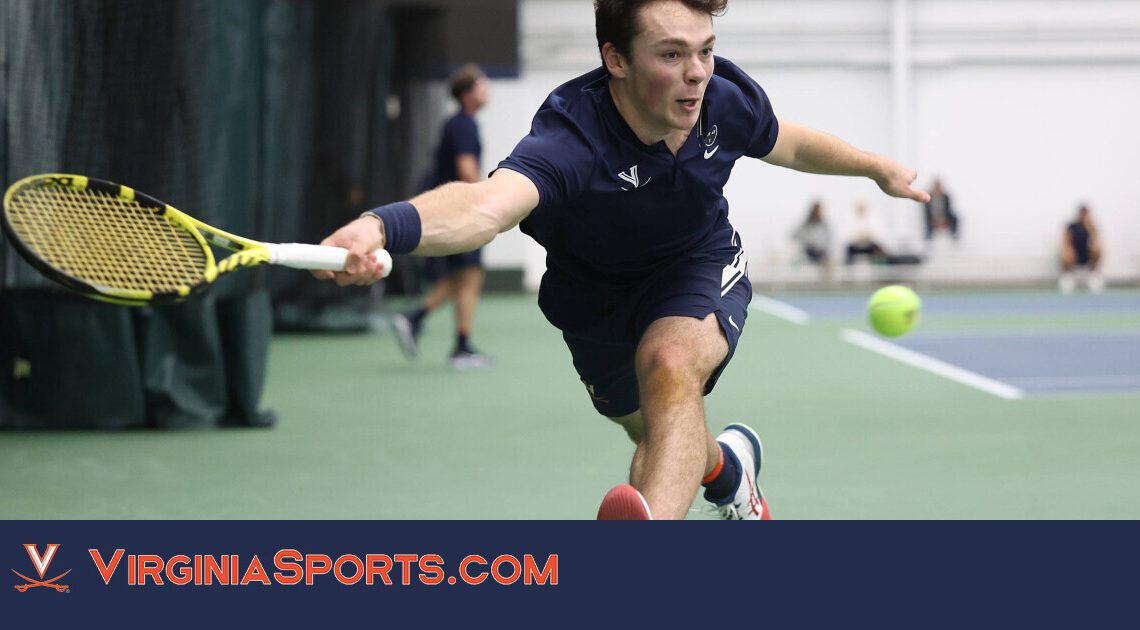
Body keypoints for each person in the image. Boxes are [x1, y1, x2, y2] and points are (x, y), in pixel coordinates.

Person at [316, 0, 930, 520]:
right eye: (670, 55)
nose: (696, 74)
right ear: (616, 59)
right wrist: (378, 227)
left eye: (705, 50)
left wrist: (875, 167)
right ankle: (728, 469)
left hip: (696, 261)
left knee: (668, 365)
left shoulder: (722, 99)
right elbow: (484, 208)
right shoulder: (572, 140)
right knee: (662, 435)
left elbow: (788, 142)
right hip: (593, 302)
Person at [391, 64, 496, 369]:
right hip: (464, 211)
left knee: (462, 276)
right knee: (470, 275)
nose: (487, 90)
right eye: (481, 85)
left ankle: (415, 319)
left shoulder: (461, 123)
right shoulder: (463, 125)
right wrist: (490, 201)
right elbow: (466, 170)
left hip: (457, 209)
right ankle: (461, 348)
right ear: (467, 94)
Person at [1059, 204, 1105, 294]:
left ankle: (1093, 275)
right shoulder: (1071, 226)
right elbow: (1065, 242)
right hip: (1074, 255)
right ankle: (1068, 277)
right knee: (1066, 253)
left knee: (1097, 250)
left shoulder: (1091, 227)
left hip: (1086, 255)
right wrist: (1068, 251)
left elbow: (1096, 243)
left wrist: (1090, 228)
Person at [792, 200, 833, 267]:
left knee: (825, 258)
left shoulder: (824, 224)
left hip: (822, 251)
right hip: (809, 250)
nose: (821, 212)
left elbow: (828, 240)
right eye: (819, 210)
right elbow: (795, 235)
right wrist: (808, 241)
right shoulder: (807, 224)